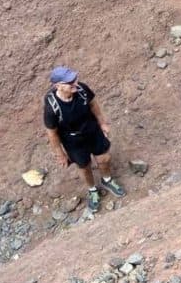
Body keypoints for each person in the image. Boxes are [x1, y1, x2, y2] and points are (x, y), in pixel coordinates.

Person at [43, 66, 126, 213]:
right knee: (84, 167)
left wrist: (102, 122)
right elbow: (52, 133)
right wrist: (60, 154)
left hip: (92, 130)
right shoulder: (52, 107)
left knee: (104, 158)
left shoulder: (82, 90)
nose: (75, 83)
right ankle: (92, 189)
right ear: (58, 86)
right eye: (70, 83)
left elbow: (93, 104)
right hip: (73, 141)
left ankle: (107, 180)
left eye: (74, 79)